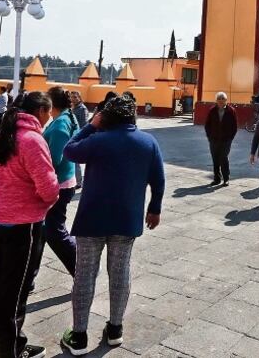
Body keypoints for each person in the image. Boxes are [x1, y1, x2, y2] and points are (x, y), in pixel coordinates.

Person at [60, 95, 165, 354]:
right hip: (126, 219)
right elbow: (158, 179)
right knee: (120, 273)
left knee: (85, 275)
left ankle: (79, 336)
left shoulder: (97, 140)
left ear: (107, 117)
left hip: (92, 219)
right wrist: (154, 208)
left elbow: (69, 150)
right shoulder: (148, 142)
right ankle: (115, 329)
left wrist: (91, 125)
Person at [0, 91, 59, 358]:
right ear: (40, 111)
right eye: (48, 113)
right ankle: (11, 349)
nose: (49, 118)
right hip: (22, 221)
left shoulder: (7, 133)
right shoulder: (32, 139)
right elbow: (48, 188)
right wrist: (48, 200)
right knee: (16, 288)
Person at [40, 87, 78, 276]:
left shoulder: (61, 123)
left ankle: (81, 269)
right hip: (61, 181)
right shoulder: (64, 118)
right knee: (40, 231)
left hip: (59, 183)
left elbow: (54, 159)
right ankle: (29, 277)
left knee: (55, 232)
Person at [204, 91, 237, 186]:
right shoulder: (212, 110)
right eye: (219, 99)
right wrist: (209, 137)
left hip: (226, 140)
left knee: (223, 157)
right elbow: (207, 125)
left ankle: (226, 178)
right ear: (216, 100)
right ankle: (217, 178)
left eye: (223, 99)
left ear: (226, 100)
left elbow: (234, 126)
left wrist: (230, 138)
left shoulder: (231, 111)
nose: (221, 100)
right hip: (214, 139)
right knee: (215, 159)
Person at [69, 91, 89, 188]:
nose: (73, 99)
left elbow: (84, 124)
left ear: (79, 98)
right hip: (72, 135)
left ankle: (78, 182)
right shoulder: (73, 108)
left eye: (75, 97)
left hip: (78, 136)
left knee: (75, 160)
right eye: (72, 97)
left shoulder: (82, 109)